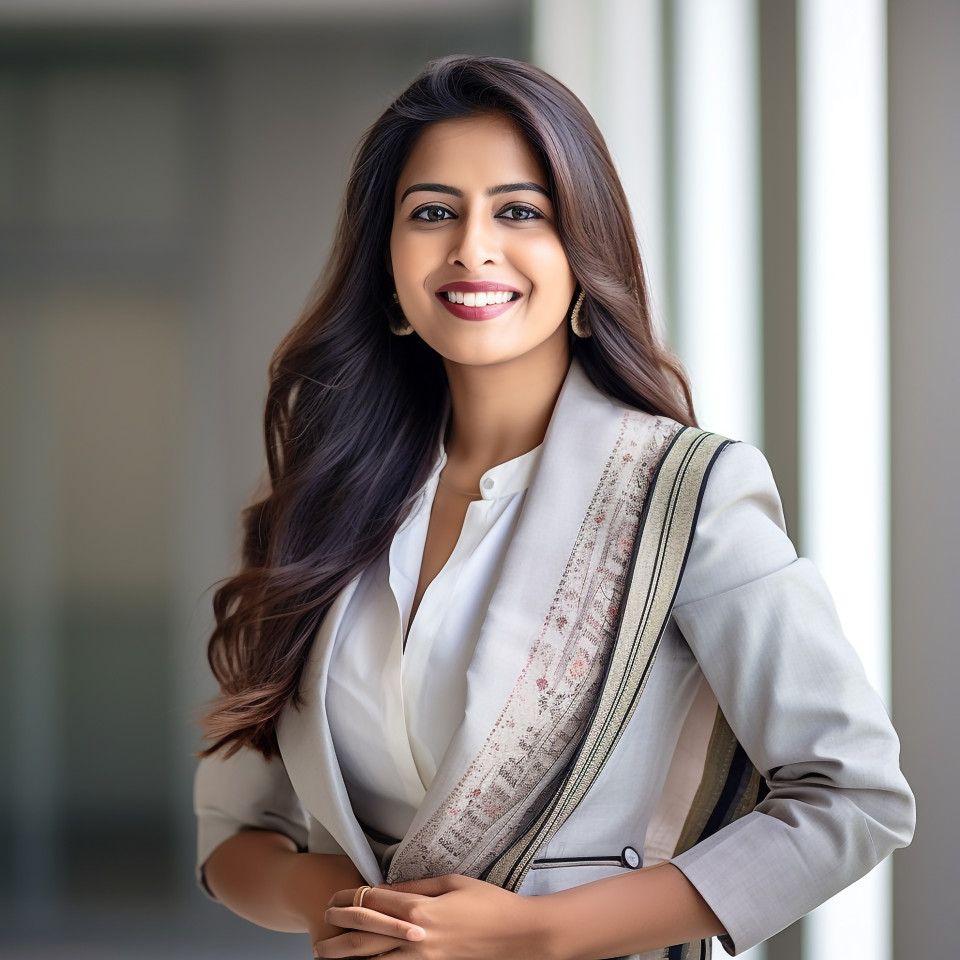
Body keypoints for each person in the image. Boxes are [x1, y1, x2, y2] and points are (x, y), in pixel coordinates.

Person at [193, 55, 914, 960]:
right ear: (387, 269)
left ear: (584, 252)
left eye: (520, 211)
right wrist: (345, 905)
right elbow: (233, 837)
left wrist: (537, 932)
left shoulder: (687, 495)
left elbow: (854, 797)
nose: (471, 247)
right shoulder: (319, 505)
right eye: (432, 212)